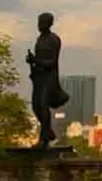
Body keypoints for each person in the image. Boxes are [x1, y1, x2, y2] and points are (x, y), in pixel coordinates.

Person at [27, 12, 68, 149]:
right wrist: (32, 61)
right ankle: (48, 131)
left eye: (42, 22)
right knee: (35, 106)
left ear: (49, 23)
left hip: (49, 78)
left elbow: (52, 62)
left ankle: (43, 139)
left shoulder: (53, 39)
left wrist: (35, 60)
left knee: (43, 105)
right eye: (39, 22)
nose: (39, 25)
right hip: (39, 77)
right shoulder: (40, 39)